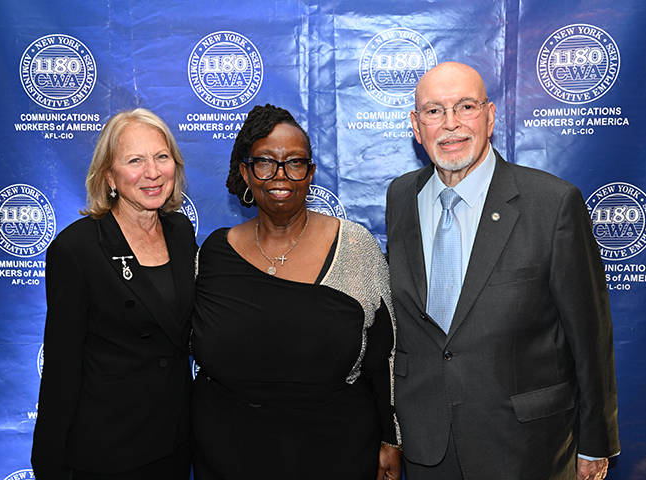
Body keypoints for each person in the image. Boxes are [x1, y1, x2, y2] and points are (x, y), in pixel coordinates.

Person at [386, 62, 619, 480]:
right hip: (427, 443)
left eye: (466, 106)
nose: (451, 124)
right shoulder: (401, 196)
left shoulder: (553, 203)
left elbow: (590, 336)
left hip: (527, 447)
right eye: (434, 111)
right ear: (416, 126)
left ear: (490, 116)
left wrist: (594, 442)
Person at [190, 104, 402, 480]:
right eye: (265, 162)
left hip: (337, 455)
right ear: (245, 171)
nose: (281, 174)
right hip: (227, 456)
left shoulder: (354, 247)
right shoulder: (213, 254)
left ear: (310, 173)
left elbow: (384, 355)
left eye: (295, 162)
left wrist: (391, 439)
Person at [31, 108, 196, 479]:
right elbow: (61, 370)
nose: (152, 172)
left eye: (162, 156)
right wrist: (49, 464)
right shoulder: (77, 249)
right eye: (135, 161)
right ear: (109, 175)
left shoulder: (181, 233)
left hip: (174, 442)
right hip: (107, 449)